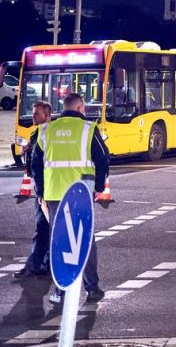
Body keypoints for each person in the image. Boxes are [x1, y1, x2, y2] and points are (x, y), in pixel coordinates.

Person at [29, 91, 110, 304]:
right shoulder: (88, 129)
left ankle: (59, 291)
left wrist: (40, 192)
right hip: (81, 194)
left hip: (55, 194)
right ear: (80, 107)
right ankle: (92, 288)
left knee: (59, 241)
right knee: (85, 240)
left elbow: (34, 163)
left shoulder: (46, 130)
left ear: (63, 107)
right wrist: (99, 187)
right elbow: (103, 159)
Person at [13, 101, 52, 280]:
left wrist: (42, 191)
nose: (33, 116)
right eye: (33, 113)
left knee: (43, 228)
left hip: (47, 187)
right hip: (43, 186)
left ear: (47, 115)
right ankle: (43, 265)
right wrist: (27, 150)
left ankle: (36, 266)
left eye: (37, 114)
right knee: (46, 228)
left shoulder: (49, 133)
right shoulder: (36, 132)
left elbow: (39, 163)